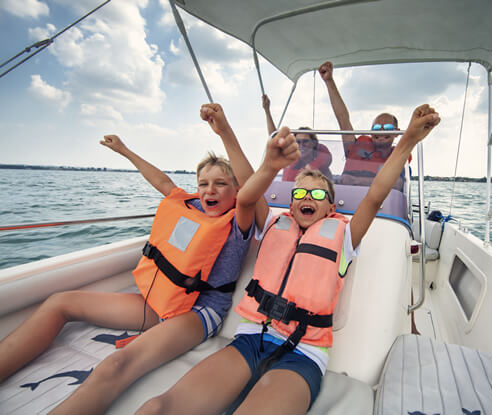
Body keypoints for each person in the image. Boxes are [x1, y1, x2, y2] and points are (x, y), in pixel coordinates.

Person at [135, 103, 440, 415]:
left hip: (304, 354)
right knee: (159, 408)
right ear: (290, 206)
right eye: (300, 194)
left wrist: (408, 141)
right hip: (250, 340)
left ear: (331, 208)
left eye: (318, 194)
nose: (307, 198)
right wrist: (225, 130)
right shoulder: (271, 225)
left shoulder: (345, 236)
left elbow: (376, 194)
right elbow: (247, 187)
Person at [0, 103, 267, 415]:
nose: (210, 190)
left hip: (198, 311)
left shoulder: (239, 222)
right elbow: (162, 182)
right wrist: (125, 150)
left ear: (235, 191)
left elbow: (251, 190)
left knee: (114, 366)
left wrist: (224, 132)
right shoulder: (190, 206)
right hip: (162, 301)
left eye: (221, 183)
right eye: (204, 183)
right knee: (60, 302)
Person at [318, 61, 408, 189]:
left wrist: (352, 180)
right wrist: (329, 81)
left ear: (397, 132)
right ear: (371, 132)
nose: (381, 131)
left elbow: (397, 184)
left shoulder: (399, 156)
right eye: (376, 128)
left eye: (387, 128)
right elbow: (343, 119)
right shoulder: (355, 146)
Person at [262, 94, 333, 181]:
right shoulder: (289, 157)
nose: (301, 145)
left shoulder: (322, 164)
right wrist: (267, 111)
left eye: (305, 141)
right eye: (298, 142)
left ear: (314, 143)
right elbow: (274, 138)